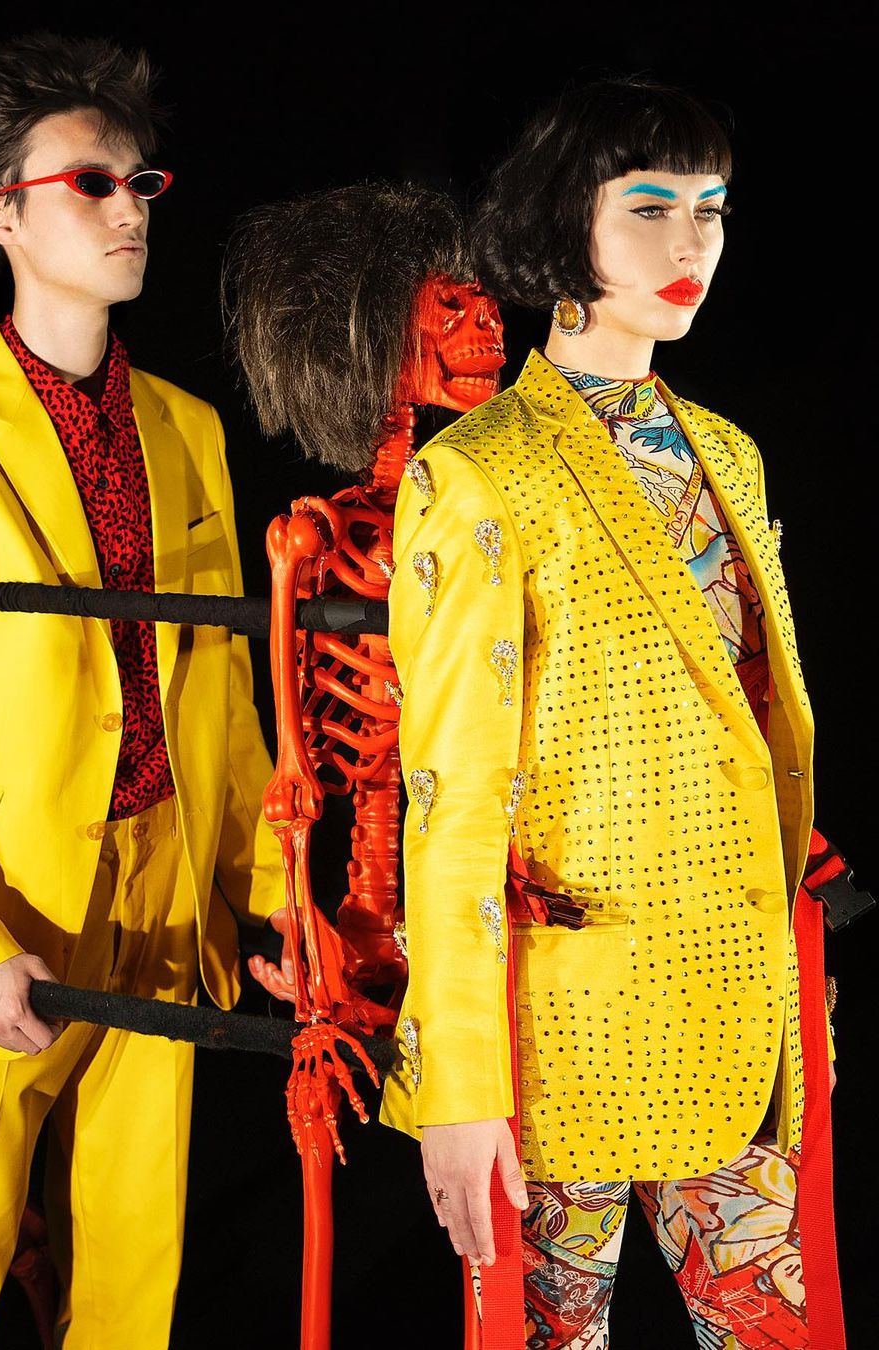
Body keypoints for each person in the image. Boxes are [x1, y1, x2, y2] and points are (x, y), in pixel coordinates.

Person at [0, 33, 285, 1349]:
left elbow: (223, 692)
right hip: (1, 897)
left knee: (137, 1274)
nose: (130, 207)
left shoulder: (189, 429)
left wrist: (268, 893)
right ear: (2, 214)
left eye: (142, 183)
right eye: (92, 182)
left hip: (163, 891)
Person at [381, 77, 839, 1346]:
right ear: (561, 221)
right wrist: (458, 1087)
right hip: (559, 1042)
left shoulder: (728, 454)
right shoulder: (480, 474)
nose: (692, 242)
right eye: (649, 207)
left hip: (741, 1015)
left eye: (712, 209)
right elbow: (451, 803)